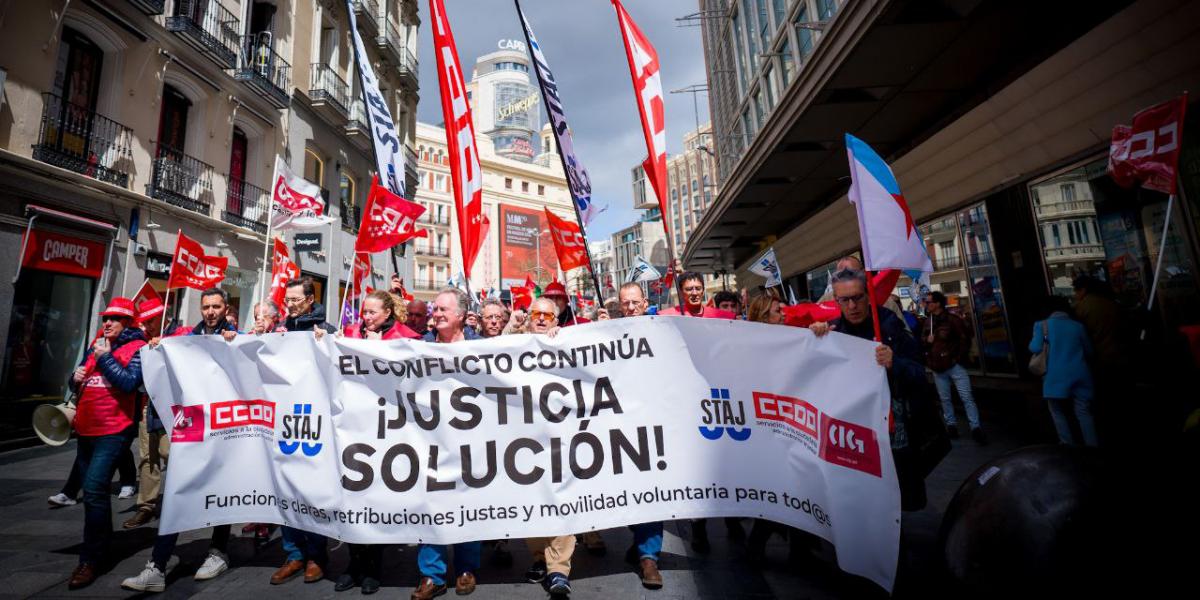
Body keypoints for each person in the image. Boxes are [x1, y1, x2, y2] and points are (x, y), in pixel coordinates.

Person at [122, 289, 241, 592]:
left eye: (216, 306)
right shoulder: (187, 338)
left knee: (221, 489)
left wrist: (235, 343)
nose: (210, 311)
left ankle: (218, 550)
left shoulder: (236, 338)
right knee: (175, 491)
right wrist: (158, 349)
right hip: (193, 425)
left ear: (225, 307)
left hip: (226, 425)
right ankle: (157, 566)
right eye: (206, 307)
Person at [809, 268, 931, 510]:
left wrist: (894, 362)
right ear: (837, 301)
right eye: (845, 300)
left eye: (858, 297)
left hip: (891, 431)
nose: (852, 305)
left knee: (893, 501)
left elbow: (920, 374)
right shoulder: (831, 331)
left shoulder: (889, 325)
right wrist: (814, 339)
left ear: (868, 295)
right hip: (851, 434)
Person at [65, 298, 147, 589]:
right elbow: (80, 380)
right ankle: (101, 541)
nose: (107, 323)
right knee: (92, 493)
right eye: (106, 318)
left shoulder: (138, 348)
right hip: (86, 428)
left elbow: (130, 383)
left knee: (96, 488)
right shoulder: (97, 344)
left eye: (115, 318)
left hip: (115, 429)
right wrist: (73, 379)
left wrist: (105, 359)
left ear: (128, 323)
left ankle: (91, 559)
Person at [412, 289, 482, 599]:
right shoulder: (419, 348)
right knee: (433, 505)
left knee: (468, 503)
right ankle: (432, 575)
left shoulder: (483, 349)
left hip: (472, 442)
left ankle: (467, 568)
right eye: (434, 308)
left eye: (443, 309)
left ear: (461, 316)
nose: (436, 313)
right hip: (431, 442)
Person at [512, 297, 576, 594]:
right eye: (534, 313)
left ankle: (559, 567)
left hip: (560, 437)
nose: (539, 319)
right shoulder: (513, 342)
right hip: (523, 441)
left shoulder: (567, 341)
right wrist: (512, 331)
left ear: (556, 319)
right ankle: (540, 557)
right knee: (533, 501)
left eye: (546, 315)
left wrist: (561, 342)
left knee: (562, 499)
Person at [273, 278, 333, 585]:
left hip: (313, 423)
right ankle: (293, 554)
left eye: (295, 300)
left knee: (310, 492)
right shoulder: (280, 330)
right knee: (285, 489)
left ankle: (316, 556)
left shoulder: (324, 330)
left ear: (310, 301)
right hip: (283, 422)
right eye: (287, 300)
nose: (290, 304)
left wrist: (327, 344)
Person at [120, 298, 175, 530]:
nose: (148, 326)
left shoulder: (180, 334)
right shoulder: (140, 341)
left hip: (171, 407)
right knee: (147, 457)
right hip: (148, 406)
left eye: (152, 321)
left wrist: (167, 345)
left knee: (169, 453)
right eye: (145, 322)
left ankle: (179, 499)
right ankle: (146, 505)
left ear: (165, 318)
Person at [1030, 296, 1098, 447]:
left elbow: (1035, 348)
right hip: (1081, 373)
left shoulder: (1041, 325)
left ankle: (1067, 443)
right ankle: (1092, 446)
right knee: (1083, 411)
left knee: (1056, 410)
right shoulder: (1077, 326)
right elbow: (1089, 351)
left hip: (1055, 375)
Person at [922, 291, 986, 444]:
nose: (926, 304)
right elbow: (922, 341)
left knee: (966, 397)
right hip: (937, 367)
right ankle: (951, 426)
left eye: (929, 301)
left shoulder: (952, 320)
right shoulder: (927, 322)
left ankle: (976, 428)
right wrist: (927, 341)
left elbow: (965, 339)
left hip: (954, 365)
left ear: (937, 303)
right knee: (945, 399)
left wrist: (957, 358)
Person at [661, 272, 735, 318]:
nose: (694, 293)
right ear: (680, 292)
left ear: (703, 291)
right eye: (689, 289)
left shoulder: (722, 317)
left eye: (698, 288)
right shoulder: (667, 317)